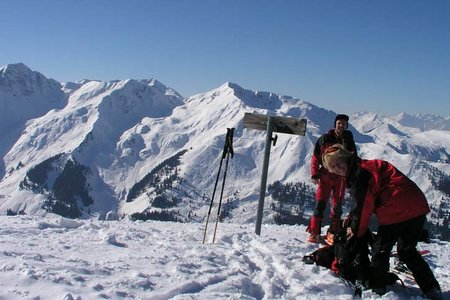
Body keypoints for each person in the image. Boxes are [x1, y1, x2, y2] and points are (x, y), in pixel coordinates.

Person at [321, 144, 443, 299]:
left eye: (338, 162)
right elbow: (364, 200)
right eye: (333, 167)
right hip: (417, 206)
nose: (338, 168)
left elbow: (364, 204)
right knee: (407, 250)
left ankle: (377, 288)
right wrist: (353, 218)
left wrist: (356, 229)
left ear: (345, 157)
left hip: (396, 209)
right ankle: (431, 288)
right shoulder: (367, 166)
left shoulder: (359, 173)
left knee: (381, 251)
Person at [307, 114, 357, 243]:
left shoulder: (348, 140)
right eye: (339, 123)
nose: (341, 125)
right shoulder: (324, 139)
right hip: (325, 176)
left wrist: (351, 179)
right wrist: (314, 174)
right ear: (335, 124)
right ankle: (314, 233)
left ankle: (332, 233)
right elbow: (315, 157)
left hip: (340, 178)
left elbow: (353, 160)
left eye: (344, 124)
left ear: (346, 126)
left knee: (337, 207)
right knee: (320, 204)